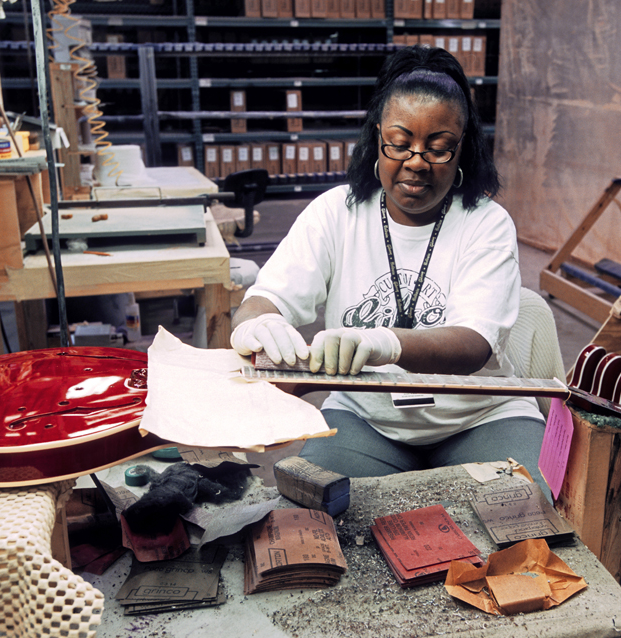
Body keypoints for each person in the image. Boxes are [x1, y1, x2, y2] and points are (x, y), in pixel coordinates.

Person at [230, 45, 547, 486]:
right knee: (313, 507)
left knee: (523, 517)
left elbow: (475, 344)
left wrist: (385, 343)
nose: (416, 162)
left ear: (462, 151)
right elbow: (264, 300)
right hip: (367, 418)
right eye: (399, 144)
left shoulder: (486, 223)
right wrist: (256, 325)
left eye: (438, 149)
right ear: (377, 138)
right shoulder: (335, 213)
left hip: (480, 416)